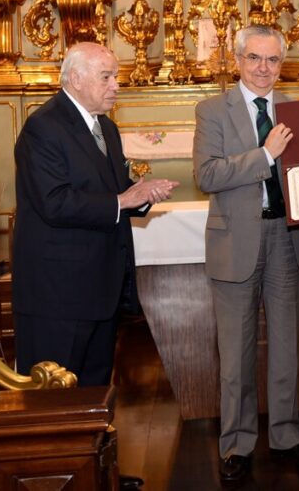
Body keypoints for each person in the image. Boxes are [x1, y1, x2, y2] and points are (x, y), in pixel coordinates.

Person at [13, 42, 177, 491]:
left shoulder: (105, 127)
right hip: (57, 293)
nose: (116, 85)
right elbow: (54, 202)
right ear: (75, 78)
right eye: (106, 76)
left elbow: (117, 191)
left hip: (97, 286)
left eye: (115, 75)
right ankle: (48, 479)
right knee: (50, 397)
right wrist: (124, 199)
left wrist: (142, 194)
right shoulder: (42, 127)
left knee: (94, 390)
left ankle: (94, 474)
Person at [193, 25, 299, 483]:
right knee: (237, 353)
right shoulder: (212, 110)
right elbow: (206, 174)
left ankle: (286, 435)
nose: (263, 69)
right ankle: (237, 444)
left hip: (288, 238)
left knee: (287, 347)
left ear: (281, 64)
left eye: (272, 60)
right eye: (254, 59)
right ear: (238, 59)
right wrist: (264, 155)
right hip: (236, 244)